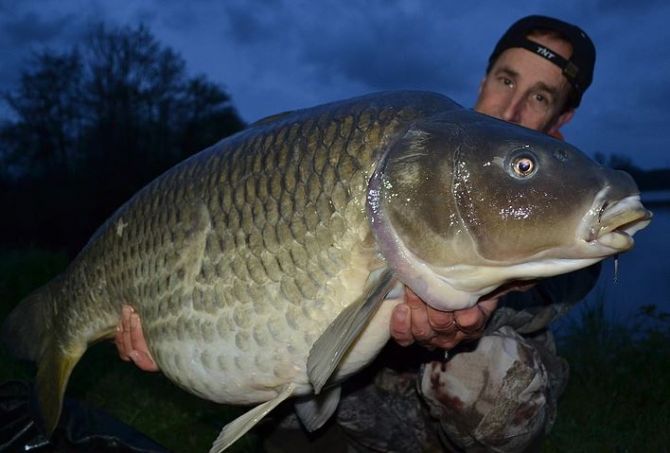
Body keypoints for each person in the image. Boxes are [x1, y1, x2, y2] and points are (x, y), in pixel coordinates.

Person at [115, 15, 600, 452]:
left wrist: (492, 295)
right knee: (299, 383)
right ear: (485, 78)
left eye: (540, 97)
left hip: (437, 391)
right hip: (358, 384)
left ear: (561, 118)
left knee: (487, 378)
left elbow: (547, 289)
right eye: (506, 80)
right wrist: (175, 332)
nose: (511, 109)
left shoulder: (567, 212)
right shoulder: (422, 143)